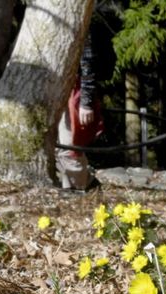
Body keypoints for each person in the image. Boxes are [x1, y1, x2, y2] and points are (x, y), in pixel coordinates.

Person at [56, 37, 104, 190]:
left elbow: (87, 63)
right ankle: (76, 186)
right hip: (55, 90)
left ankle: (81, 189)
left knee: (70, 148)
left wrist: (86, 101)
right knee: (56, 148)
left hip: (73, 91)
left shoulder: (80, 26)